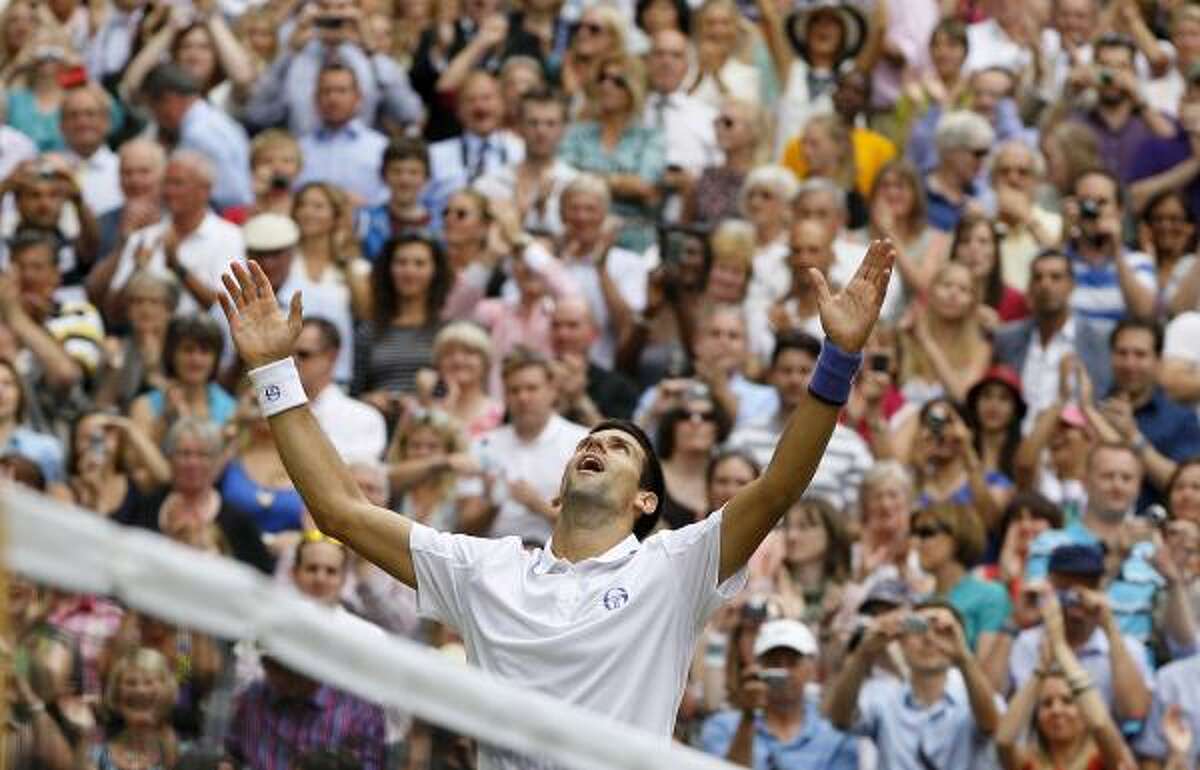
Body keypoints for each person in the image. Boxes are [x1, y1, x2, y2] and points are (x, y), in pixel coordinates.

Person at [217, 224, 895, 770]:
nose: (595, 447)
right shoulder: (485, 571)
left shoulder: (676, 568)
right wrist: (276, 373)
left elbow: (777, 487)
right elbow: (340, 512)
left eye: (622, 447)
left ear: (647, 505)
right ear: (558, 487)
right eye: (587, 445)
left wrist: (838, 359)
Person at [823, 600, 1002, 770]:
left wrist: (963, 657)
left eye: (944, 631)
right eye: (918, 628)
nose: (929, 639)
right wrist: (864, 654)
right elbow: (839, 720)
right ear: (900, 641)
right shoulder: (882, 694)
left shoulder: (976, 695)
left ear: (960, 640)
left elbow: (991, 726)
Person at [727, 331, 873, 513]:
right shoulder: (743, 438)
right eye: (786, 371)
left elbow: (858, 518)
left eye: (804, 371)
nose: (794, 380)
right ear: (770, 375)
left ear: (820, 377)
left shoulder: (851, 446)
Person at [1009, 541, 1154, 723]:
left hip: (1105, 746)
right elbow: (1009, 712)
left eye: (1088, 586)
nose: (1077, 596)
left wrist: (1109, 626)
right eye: (1066, 587)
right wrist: (1015, 621)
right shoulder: (1028, 642)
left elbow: (1135, 711)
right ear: (1050, 586)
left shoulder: (1126, 648)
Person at [995, 585, 1136, 770]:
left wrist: (1061, 648)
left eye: (1068, 701)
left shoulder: (1106, 758)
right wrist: (1040, 669)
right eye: (1046, 704)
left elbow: (1100, 724)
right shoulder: (1026, 762)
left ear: (1085, 710)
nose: (1056, 710)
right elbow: (1003, 740)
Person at [458, 347, 588, 544]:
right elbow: (466, 527)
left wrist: (536, 504)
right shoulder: (483, 445)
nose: (523, 397)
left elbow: (589, 527)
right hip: (495, 557)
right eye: (514, 390)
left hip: (560, 560)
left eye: (532, 388)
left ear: (552, 390)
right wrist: (494, 501)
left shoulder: (580, 442)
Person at [241, 0, 423, 137]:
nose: (333, 16)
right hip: (304, 158)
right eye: (325, 7)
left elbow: (408, 114)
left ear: (355, 11)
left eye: (341, 8)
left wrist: (371, 51)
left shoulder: (369, 59)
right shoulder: (294, 56)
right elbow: (257, 115)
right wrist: (289, 52)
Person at [700, 619, 857, 770]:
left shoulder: (835, 733)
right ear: (758, 667)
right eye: (773, 662)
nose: (784, 671)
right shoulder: (723, 727)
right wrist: (748, 717)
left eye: (792, 662)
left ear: (812, 669)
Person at [106, 151, 246, 318]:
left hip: (206, 340)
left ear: (204, 190)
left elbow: (228, 308)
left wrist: (177, 268)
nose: (169, 191)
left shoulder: (229, 236)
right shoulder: (144, 238)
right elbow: (112, 311)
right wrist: (137, 271)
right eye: (166, 183)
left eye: (178, 184)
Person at [558, 53, 665, 253]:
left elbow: (644, 186)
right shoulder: (579, 132)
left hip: (632, 237)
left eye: (618, 81)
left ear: (634, 88)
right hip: (579, 231)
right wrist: (619, 181)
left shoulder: (650, 137)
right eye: (602, 79)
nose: (607, 86)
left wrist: (587, 177)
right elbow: (561, 176)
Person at [993, 250, 1114, 423]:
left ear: (1072, 285)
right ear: (1029, 286)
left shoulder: (1099, 341)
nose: (1046, 284)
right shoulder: (1007, 339)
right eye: (1038, 277)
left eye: (1055, 277)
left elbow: (1102, 402)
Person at [226, 656, 386, 770]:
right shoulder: (255, 697)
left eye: (287, 668)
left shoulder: (358, 711)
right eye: (270, 665)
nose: (276, 678)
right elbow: (232, 752)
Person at [353, 231, 451, 404]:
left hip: (432, 423)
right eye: (401, 263)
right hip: (378, 424)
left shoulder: (447, 332)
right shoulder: (368, 332)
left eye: (419, 264)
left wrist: (419, 401)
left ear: (435, 271)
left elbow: (457, 388)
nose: (409, 271)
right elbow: (354, 392)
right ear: (388, 269)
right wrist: (370, 399)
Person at [140, 63, 251, 210]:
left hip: (225, 216)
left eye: (154, 108)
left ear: (169, 100)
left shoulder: (196, 135)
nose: (156, 117)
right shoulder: (220, 120)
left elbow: (229, 194)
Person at [474, 89, 578, 238]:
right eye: (533, 122)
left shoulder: (574, 183)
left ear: (564, 128)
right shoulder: (490, 183)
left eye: (551, 123)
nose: (541, 131)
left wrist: (542, 209)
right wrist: (521, 210)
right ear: (519, 126)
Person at [1062, 168, 1157, 329]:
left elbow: (1144, 313)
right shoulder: (1061, 258)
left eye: (1102, 203)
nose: (1093, 210)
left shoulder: (1138, 262)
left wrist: (1117, 249)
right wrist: (1064, 230)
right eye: (1085, 202)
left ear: (1120, 211)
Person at [912, 502, 1011, 652]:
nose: (916, 542)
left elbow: (986, 673)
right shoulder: (922, 601)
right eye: (915, 534)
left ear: (956, 537)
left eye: (926, 533)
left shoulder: (991, 595)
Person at [294, 63, 389, 207]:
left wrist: (368, 205)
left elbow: (393, 196)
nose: (333, 98)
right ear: (315, 98)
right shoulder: (299, 150)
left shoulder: (380, 148)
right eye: (326, 91)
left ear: (358, 97)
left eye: (341, 91)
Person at [129, 314, 234, 442]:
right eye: (188, 350)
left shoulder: (231, 409)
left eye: (205, 351)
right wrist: (166, 418)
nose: (196, 359)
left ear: (216, 358)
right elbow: (135, 459)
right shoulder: (144, 406)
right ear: (171, 354)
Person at [295, 317, 385, 463]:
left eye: (303, 354)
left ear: (331, 356)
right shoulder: (263, 414)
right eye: (286, 355)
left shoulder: (364, 418)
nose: (293, 361)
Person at [91, 648, 180, 770]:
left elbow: (186, 664)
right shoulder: (96, 756)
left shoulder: (186, 754)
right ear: (117, 694)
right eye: (131, 683)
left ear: (167, 692)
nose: (140, 690)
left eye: (149, 682)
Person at [657, 392, 731, 529]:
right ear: (671, 424)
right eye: (685, 416)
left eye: (707, 417)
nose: (696, 422)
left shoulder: (731, 476)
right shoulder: (649, 474)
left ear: (718, 427)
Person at [358, 138, 431, 262]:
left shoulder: (441, 225)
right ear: (383, 176)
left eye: (413, 172)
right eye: (397, 171)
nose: (404, 180)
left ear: (426, 177)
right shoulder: (365, 220)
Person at [950, 214, 1029, 325]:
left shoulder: (1015, 301)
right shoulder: (937, 294)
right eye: (965, 241)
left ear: (996, 251)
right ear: (955, 251)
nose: (974, 249)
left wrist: (999, 331)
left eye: (983, 242)